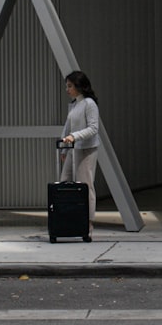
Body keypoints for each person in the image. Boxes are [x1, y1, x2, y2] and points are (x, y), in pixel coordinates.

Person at [60, 70, 100, 236]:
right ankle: (66, 219)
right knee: (64, 182)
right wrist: (64, 148)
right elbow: (67, 127)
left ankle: (88, 223)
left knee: (85, 185)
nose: (67, 89)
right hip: (73, 149)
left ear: (78, 86)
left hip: (86, 149)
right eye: (66, 86)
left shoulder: (89, 104)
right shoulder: (75, 104)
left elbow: (93, 128)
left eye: (70, 86)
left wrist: (74, 137)